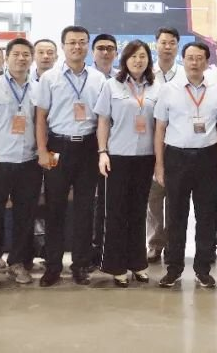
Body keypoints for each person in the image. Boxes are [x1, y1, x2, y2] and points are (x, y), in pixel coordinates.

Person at [34, 26, 106, 287]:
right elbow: (40, 117)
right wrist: (42, 150)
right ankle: (53, 266)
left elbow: (102, 119)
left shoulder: (98, 78)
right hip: (57, 147)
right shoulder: (49, 78)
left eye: (82, 42)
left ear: (88, 46)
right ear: (63, 46)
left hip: (88, 148)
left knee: (85, 210)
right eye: (72, 42)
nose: (77, 47)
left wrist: (101, 151)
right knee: (55, 208)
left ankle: (80, 265)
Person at [155, 42, 217, 289]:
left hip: (207, 157)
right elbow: (160, 128)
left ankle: (203, 269)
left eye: (199, 58)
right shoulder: (168, 90)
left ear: (207, 61)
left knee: (207, 216)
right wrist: (159, 165)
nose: (194, 62)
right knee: (176, 215)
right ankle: (173, 268)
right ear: (183, 60)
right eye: (190, 58)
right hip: (176, 157)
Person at [0, 38, 43, 291]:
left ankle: (18, 262)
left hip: (29, 161)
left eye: (26, 54)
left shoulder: (39, 88)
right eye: (16, 54)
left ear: (32, 58)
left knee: (25, 216)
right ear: (7, 58)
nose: (21, 58)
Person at [96, 40, 161, 287]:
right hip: (118, 157)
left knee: (138, 211)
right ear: (125, 59)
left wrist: (159, 161)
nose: (138, 60)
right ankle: (116, 266)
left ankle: (138, 263)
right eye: (133, 56)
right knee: (116, 212)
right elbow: (103, 121)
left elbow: (160, 126)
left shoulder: (157, 88)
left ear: (148, 60)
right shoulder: (111, 85)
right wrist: (102, 152)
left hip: (145, 158)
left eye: (142, 56)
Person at [147, 27, 186, 264]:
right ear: (156, 45)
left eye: (172, 42)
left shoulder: (184, 74)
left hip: (178, 144)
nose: (167, 47)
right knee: (153, 198)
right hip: (149, 142)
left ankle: (173, 244)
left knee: (175, 199)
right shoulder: (146, 74)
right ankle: (155, 243)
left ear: (177, 46)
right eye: (163, 42)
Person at [90, 33, 118, 265]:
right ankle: (87, 252)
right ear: (93, 52)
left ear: (116, 53)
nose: (105, 52)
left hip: (114, 148)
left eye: (110, 48)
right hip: (87, 143)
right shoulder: (86, 77)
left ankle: (103, 250)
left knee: (107, 201)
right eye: (101, 48)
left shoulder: (121, 79)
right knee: (87, 200)